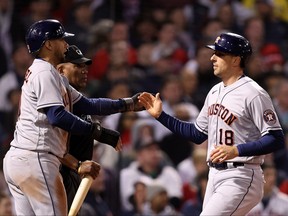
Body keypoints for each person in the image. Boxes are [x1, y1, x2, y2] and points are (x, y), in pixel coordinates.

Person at [2, 19, 143, 216]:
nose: (66, 44)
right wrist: (96, 131)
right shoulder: (44, 72)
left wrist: (127, 104)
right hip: (36, 158)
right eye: (61, 39)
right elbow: (57, 116)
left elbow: (86, 104)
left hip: (20, 160)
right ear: (48, 44)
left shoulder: (50, 73)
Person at [138, 32, 285, 215]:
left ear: (235, 60)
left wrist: (237, 150)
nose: (212, 58)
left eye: (220, 54)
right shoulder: (215, 91)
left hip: (241, 174)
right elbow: (197, 134)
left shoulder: (254, 93)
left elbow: (276, 138)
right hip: (214, 175)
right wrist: (161, 116)